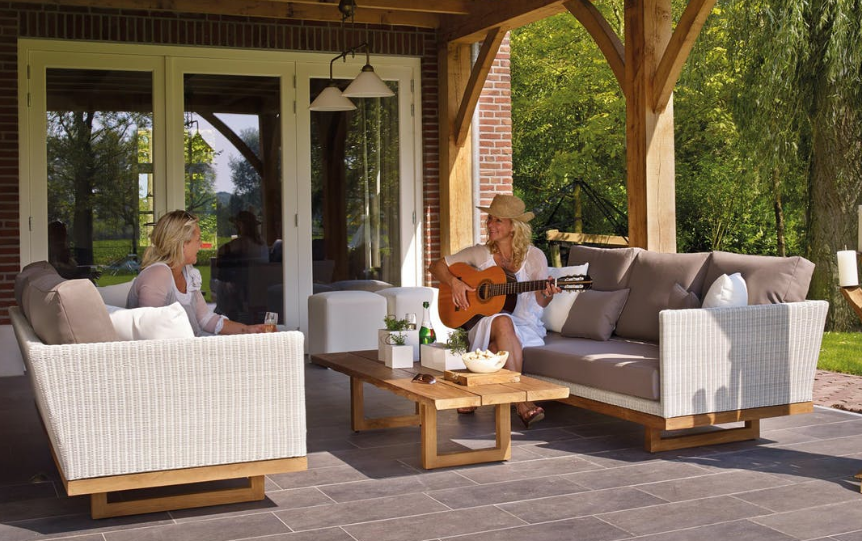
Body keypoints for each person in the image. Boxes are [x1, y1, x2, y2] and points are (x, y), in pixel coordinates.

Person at [429, 194, 561, 428]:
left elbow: (540, 302)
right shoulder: (480, 253)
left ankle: (474, 392)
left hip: (525, 326)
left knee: (495, 346)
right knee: (501, 320)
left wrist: (548, 293)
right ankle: (521, 401)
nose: (490, 225)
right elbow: (436, 266)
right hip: (485, 323)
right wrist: (455, 283)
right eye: (489, 219)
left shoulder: (535, 257)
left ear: (514, 227)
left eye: (497, 220)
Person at [127, 210, 266, 335]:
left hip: (189, 350)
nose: (200, 245)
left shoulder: (188, 273)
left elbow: (205, 318)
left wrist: (247, 330)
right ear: (181, 243)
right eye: (198, 239)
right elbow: (150, 332)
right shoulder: (158, 274)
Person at [213, 210, 269, 320]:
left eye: (237, 225)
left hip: (248, 286)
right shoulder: (262, 242)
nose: (235, 227)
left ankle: (222, 314)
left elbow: (221, 250)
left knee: (221, 283)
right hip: (261, 285)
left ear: (241, 225)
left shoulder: (243, 242)